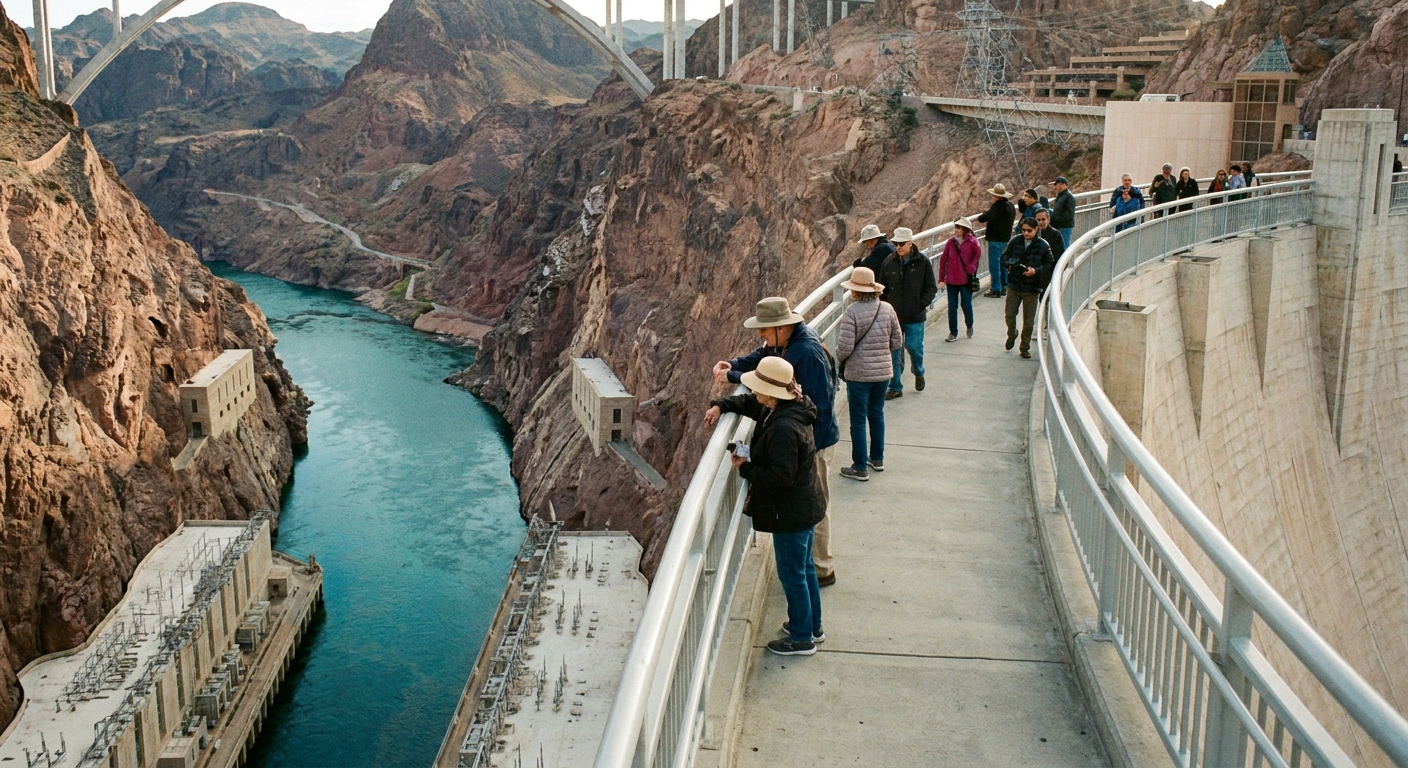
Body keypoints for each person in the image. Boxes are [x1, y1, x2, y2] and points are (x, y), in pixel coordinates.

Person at [714, 297, 841, 585]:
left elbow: (818, 407)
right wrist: (733, 367)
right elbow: (761, 359)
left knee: (815, 506)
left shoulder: (806, 353)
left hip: (815, 442)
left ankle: (821, 569)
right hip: (806, 440)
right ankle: (810, 568)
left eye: (764, 330)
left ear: (781, 328)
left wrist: (805, 452)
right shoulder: (783, 343)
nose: (761, 335)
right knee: (811, 505)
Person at [704, 356, 824, 656]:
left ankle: (801, 639)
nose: (755, 393)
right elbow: (750, 405)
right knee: (804, 568)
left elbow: (779, 479)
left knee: (792, 573)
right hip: (804, 505)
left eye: (759, 388)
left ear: (772, 392)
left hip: (791, 512)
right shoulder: (790, 408)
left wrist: (745, 467)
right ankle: (812, 626)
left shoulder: (784, 427)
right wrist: (723, 404)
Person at [834, 267, 902, 481]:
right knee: (877, 414)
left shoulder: (852, 312)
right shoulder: (887, 308)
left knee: (858, 420)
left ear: (855, 291)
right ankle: (877, 458)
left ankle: (860, 467)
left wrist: (839, 358)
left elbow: (844, 348)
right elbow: (897, 341)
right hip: (883, 373)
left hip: (859, 376)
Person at [880, 227, 938, 399]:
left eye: (901, 244)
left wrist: (921, 304)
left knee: (914, 348)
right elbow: (881, 288)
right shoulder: (888, 263)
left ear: (910, 243)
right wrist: (885, 307)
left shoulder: (923, 262)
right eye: (896, 244)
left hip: (915, 317)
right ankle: (896, 387)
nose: (898, 247)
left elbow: (931, 287)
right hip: (894, 317)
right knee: (894, 352)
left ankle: (918, 371)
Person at [1002, 218, 1055, 360]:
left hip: (1032, 288)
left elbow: (1050, 264)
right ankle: (1012, 333)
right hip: (1014, 285)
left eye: (1029, 230)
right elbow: (1004, 256)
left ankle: (1024, 347)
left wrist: (1035, 271)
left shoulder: (1043, 245)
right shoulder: (1015, 241)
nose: (1025, 233)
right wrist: (1009, 264)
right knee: (1009, 315)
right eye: (1023, 230)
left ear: (1036, 229)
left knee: (1029, 321)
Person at [937, 217, 982, 342]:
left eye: (958, 227)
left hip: (966, 279)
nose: (955, 230)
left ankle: (969, 324)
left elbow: (977, 255)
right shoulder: (950, 243)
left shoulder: (972, 242)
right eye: (955, 227)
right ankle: (953, 332)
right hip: (951, 280)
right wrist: (941, 278)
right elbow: (943, 260)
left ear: (964, 229)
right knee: (952, 306)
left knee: (966, 304)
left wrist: (972, 267)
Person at [975, 183, 1016, 298]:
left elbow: (983, 218)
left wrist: (983, 214)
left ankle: (996, 289)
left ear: (996, 196)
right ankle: (1003, 286)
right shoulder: (1011, 206)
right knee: (1003, 263)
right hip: (1006, 239)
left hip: (995, 239)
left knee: (995, 265)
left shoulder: (997, 207)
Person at [1050, 176, 1076, 247]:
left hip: (1065, 226)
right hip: (1060, 226)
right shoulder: (1061, 196)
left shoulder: (1069, 197)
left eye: (1056, 184)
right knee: (1060, 245)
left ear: (1063, 185)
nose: (1055, 187)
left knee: (1064, 245)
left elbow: (1070, 213)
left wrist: (1058, 221)